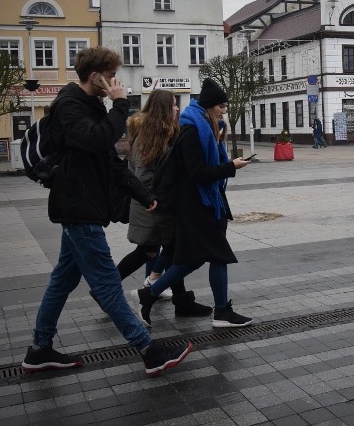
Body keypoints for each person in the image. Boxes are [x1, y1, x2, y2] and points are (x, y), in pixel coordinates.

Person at [21, 47, 192, 377]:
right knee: (107, 285)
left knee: (62, 281)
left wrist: (143, 194)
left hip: (83, 208)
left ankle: (40, 350)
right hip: (78, 208)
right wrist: (119, 104)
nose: (116, 81)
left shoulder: (91, 107)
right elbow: (97, 141)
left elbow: (112, 162)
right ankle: (149, 350)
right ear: (94, 76)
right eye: (111, 75)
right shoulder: (70, 105)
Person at [136, 78, 253, 328]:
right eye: (221, 106)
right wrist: (231, 166)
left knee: (197, 259)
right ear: (209, 106)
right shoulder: (192, 130)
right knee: (218, 255)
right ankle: (221, 312)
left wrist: (227, 164)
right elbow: (198, 172)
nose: (224, 111)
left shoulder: (204, 128)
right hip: (197, 205)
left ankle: (149, 294)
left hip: (205, 204)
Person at [113, 89, 211, 319]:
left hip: (152, 205)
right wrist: (157, 199)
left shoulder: (155, 133)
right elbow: (144, 176)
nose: (177, 108)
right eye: (173, 105)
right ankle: (106, 289)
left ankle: (181, 301)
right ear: (164, 109)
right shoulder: (153, 136)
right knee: (155, 250)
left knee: (166, 249)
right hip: (153, 207)